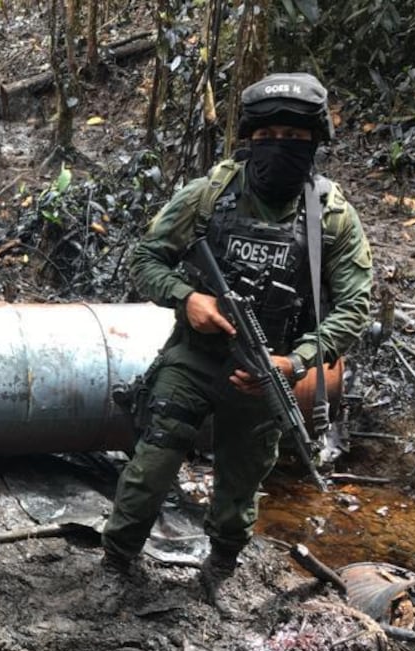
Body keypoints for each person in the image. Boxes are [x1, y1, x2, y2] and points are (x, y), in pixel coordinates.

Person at [95, 72, 373, 614]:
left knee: (240, 487)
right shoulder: (212, 193)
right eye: (270, 135)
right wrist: (188, 300)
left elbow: (354, 307)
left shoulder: (330, 216)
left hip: (268, 368)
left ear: (316, 144)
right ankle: (116, 561)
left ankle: (220, 566)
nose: (282, 149)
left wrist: (295, 361)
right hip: (196, 359)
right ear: (250, 138)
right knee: (151, 465)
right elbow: (145, 258)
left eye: (296, 140)